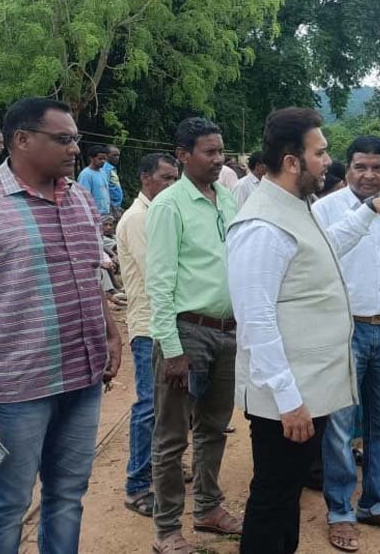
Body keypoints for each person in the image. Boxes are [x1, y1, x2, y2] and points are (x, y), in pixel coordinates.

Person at [0, 96, 123, 553]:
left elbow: (92, 274)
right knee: (8, 503)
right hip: (18, 390)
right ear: (21, 140)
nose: (75, 149)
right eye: (63, 139)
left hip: (83, 377)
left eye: (75, 140)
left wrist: (109, 330)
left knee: (68, 494)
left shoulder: (80, 199)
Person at [227, 107, 380, 554]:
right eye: (321, 153)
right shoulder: (261, 226)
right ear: (293, 162)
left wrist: (369, 210)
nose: (328, 162)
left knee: (286, 494)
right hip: (287, 399)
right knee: (272, 498)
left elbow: (328, 247)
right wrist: (289, 400)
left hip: (303, 391)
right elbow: (256, 320)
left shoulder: (295, 207)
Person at [312, 136, 380, 552]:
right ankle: (340, 511)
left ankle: (375, 503)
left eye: (377, 167)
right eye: (360, 167)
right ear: (347, 169)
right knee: (340, 427)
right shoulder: (325, 211)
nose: (369, 175)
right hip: (344, 331)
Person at [145, 117, 243, 551]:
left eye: (221, 151)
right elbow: (159, 282)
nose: (219, 159)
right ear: (183, 155)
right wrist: (171, 348)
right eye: (209, 151)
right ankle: (167, 527)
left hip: (227, 332)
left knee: (214, 427)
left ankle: (207, 507)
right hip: (187, 333)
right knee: (171, 436)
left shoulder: (227, 199)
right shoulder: (169, 205)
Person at [116, 152, 180, 519]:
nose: (172, 185)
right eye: (166, 178)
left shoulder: (158, 214)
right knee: (148, 406)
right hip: (148, 325)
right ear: (145, 178)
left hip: (161, 323)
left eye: (175, 179)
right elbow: (159, 272)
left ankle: (160, 468)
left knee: (165, 404)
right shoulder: (139, 219)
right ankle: (137, 484)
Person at [78, 143, 112, 216]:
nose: (103, 161)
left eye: (104, 159)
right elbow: (84, 197)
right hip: (93, 215)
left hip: (105, 213)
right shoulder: (86, 174)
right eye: (100, 159)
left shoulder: (103, 172)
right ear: (91, 158)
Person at [103, 144, 125, 216]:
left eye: (118, 155)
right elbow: (104, 188)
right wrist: (111, 206)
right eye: (114, 155)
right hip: (111, 207)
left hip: (116, 206)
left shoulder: (112, 169)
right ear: (106, 156)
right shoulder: (105, 168)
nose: (117, 158)